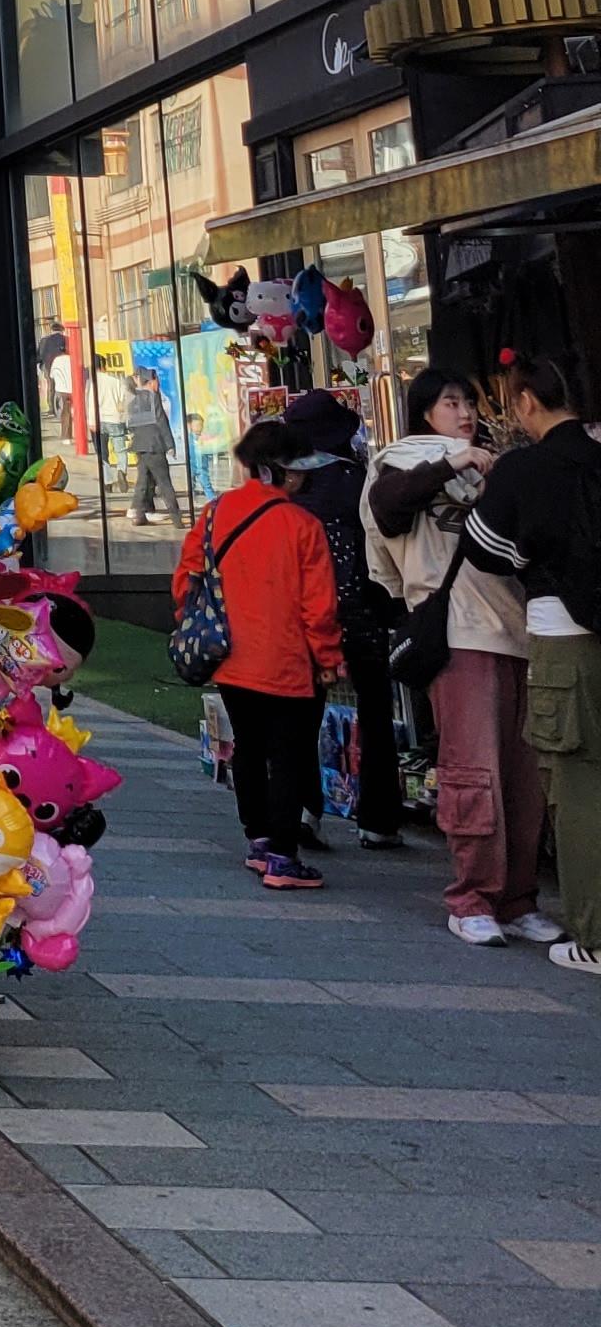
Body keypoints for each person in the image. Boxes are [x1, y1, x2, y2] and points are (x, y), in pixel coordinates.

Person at [367, 369, 553, 948]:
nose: (465, 412)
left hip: (521, 631)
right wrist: (453, 463)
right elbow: (388, 505)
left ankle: (518, 898)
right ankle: (472, 896)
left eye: (470, 402)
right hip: (459, 633)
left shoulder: (498, 467)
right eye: (451, 403)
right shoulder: (401, 463)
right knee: (474, 771)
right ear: (425, 412)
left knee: (524, 778)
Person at [463, 352, 601, 972]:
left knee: (579, 790)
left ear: (524, 402)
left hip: (563, 639)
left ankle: (594, 937)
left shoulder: (526, 467)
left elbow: (485, 548)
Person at [172, 417, 342, 890]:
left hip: (229, 657)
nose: (303, 476)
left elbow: (186, 580)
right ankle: (284, 857)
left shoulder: (214, 513)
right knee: (289, 755)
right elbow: (319, 606)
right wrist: (328, 658)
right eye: (298, 467)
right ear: (278, 469)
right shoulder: (303, 525)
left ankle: (260, 840)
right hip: (287, 661)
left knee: (247, 746)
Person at [282, 384, 405, 848]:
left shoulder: (291, 486)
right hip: (362, 611)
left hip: (306, 615)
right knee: (375, 711)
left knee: (302, 713)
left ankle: (304, 811)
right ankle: (378, 819)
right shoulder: (358, 478)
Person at [119, 360, 181, 528]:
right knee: (164, 482)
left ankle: (138, 514)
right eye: (156, 380)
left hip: (140, 446)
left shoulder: (133, 401)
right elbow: (162, 422)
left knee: (143, 480)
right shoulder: (153, 398)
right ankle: (176, 518)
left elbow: (131, 424)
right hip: (154, 446)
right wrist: (170, 445)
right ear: (151, 382)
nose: (158, 384)